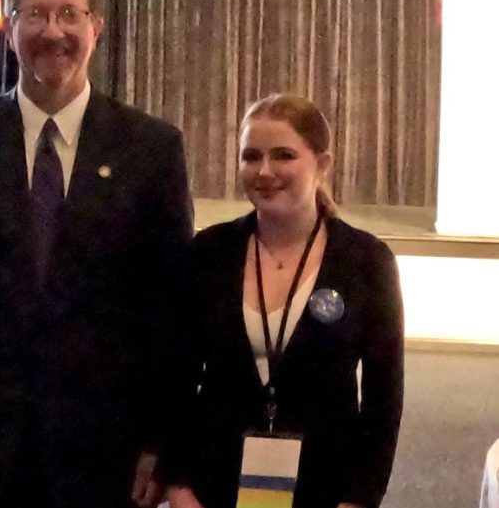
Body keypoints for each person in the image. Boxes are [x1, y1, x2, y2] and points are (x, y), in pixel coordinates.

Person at [0, 0, 194, 508]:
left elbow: (169, 310)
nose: (51, 31)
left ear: (96, 27)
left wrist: (164, 442)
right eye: (34, 14)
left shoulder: (153, 148)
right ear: (9, 27)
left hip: (105, 445)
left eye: (68, 14)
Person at [162, 93, 404, 508]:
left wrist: (360, 499)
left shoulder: (365, 261)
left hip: (324, 486)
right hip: (214, 483)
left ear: (322, 163)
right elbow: (176, 379)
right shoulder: (209, 252)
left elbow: (384, 399)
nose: (265, 171)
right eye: (251, 156)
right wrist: (180, 484)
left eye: (284, 155)